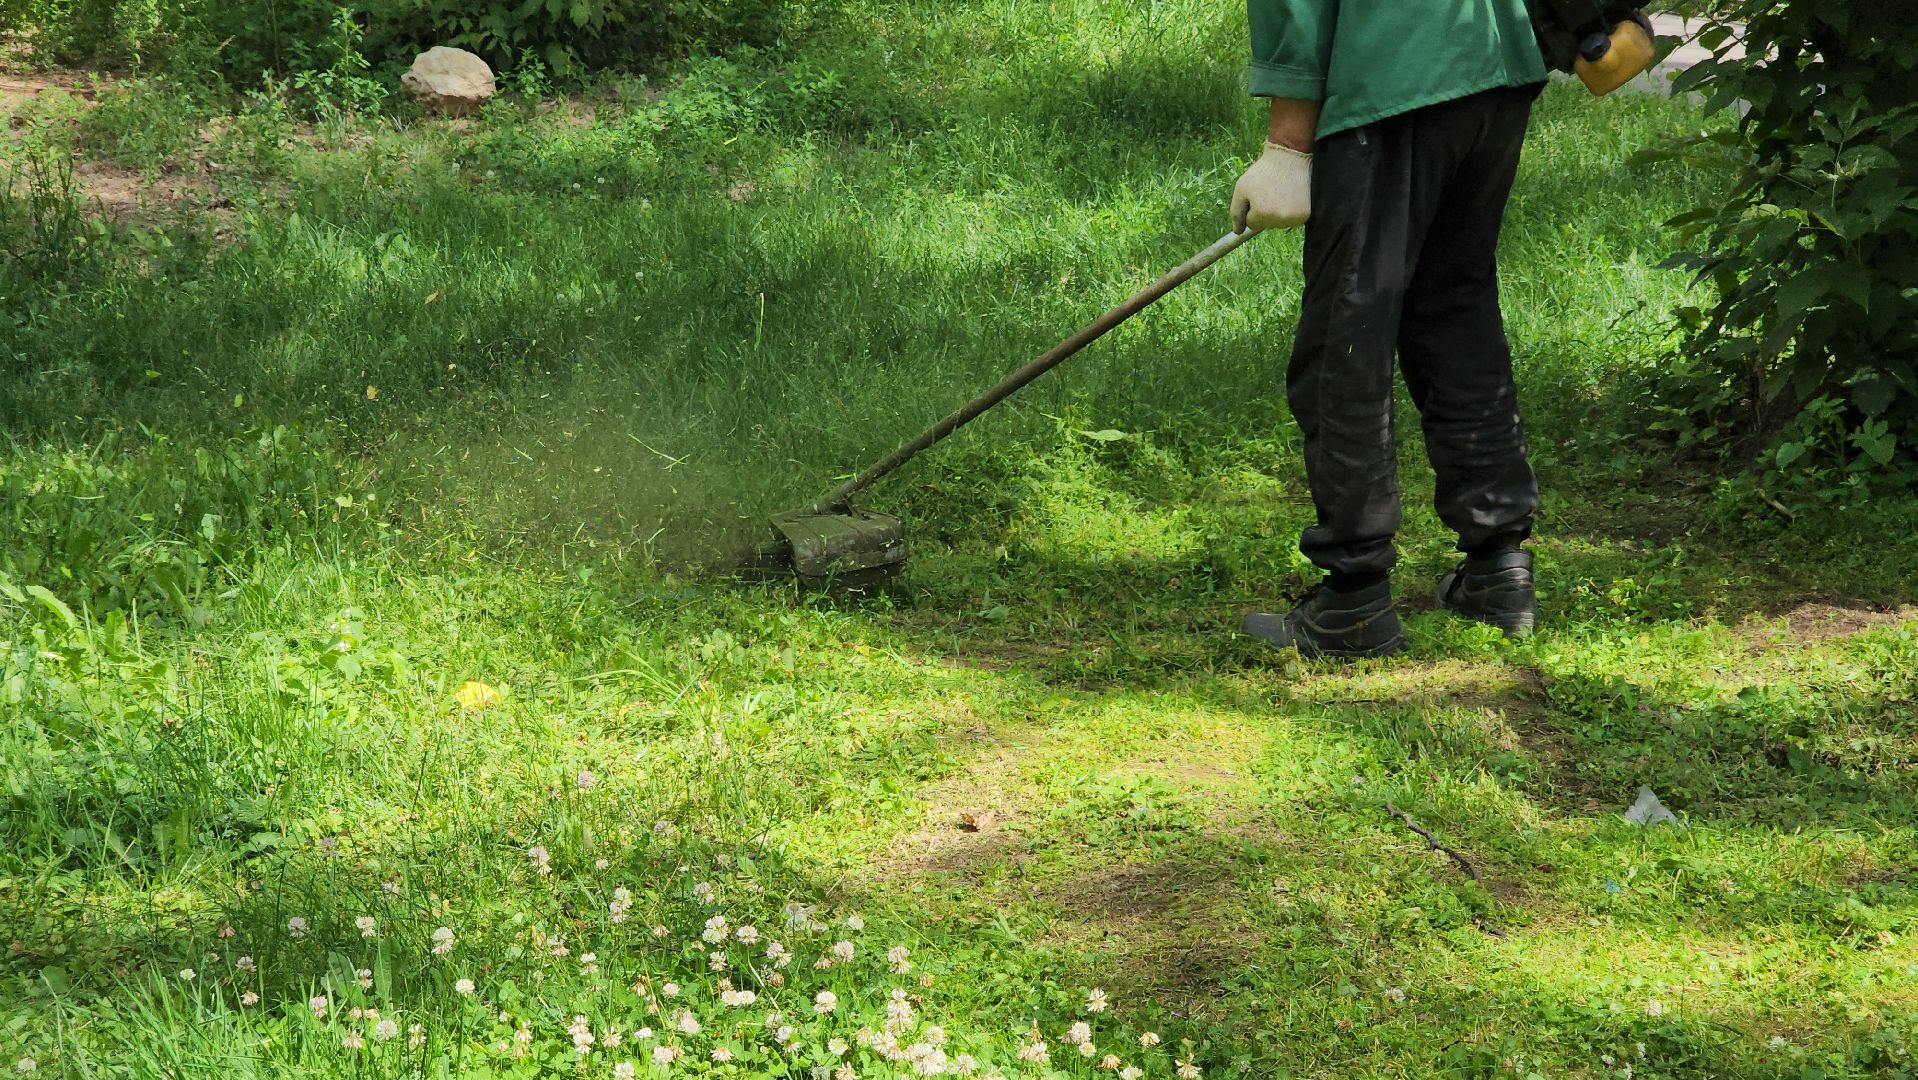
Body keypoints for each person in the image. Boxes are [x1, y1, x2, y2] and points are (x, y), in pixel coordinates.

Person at [1232, 1, 1578, 658]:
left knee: (1347, 335)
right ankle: (1498, 571)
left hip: (1392, 72)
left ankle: (1354, 600)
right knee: (1454, 312)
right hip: (1495, 66)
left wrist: (1286, 144)